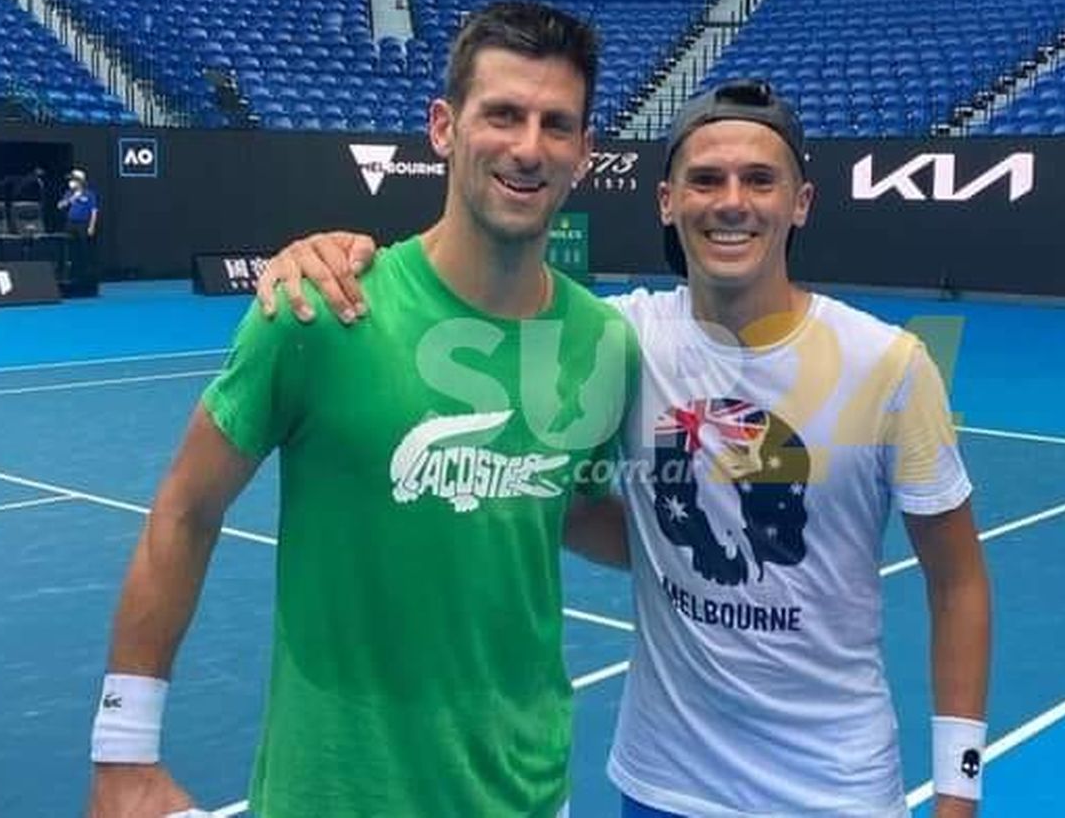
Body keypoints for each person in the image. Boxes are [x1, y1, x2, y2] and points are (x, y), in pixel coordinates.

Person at [258, 79, 992, 817]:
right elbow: (555, 482)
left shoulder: (888, 365)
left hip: (834, 793)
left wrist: (957, 792)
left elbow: (958, 582)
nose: (731, 201)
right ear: (667, 202)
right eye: (705, 180)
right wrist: (335, 253)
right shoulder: (615, 341)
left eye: (760, 180)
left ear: (799, 203)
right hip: (660, 785)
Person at [86, 0, 637, 818]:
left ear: (585, 152)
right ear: (444, 127)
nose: (528, 147)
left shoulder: (603, 342)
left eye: (557, 124)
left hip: (528, 793)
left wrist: (729, 533)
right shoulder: (320, 309)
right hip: (334, 795)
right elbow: (185, 508)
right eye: (503, 115)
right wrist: (124, 749)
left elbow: (568, 507)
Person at [57, 167, 99, 289]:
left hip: (83, 224)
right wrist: (72, 199)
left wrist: (91, 226)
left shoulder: (89, 194)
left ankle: (84, 274)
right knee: (69, 247)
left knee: (83, 249)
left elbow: (94, 212)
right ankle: (68, 273)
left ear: (80, 181)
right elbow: (60, 206)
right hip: (70, 223)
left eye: (74, 180)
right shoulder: (69, 193)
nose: (71, 182)